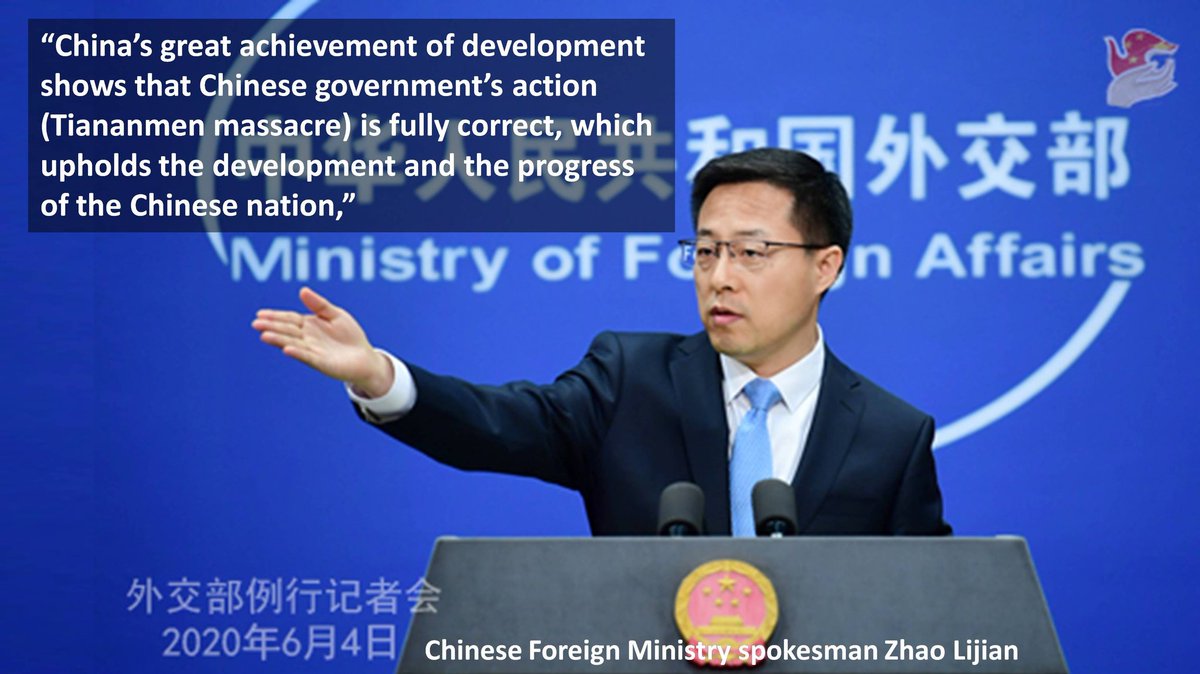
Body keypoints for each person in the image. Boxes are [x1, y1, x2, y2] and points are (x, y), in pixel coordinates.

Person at [253, 148, 951, 537]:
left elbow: (932, 606)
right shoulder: (629, 380)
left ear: (825, 266)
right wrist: (380, 377)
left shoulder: (892, 435)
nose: (720, 276)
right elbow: (499, 425)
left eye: (751, 252)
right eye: (706, 251)